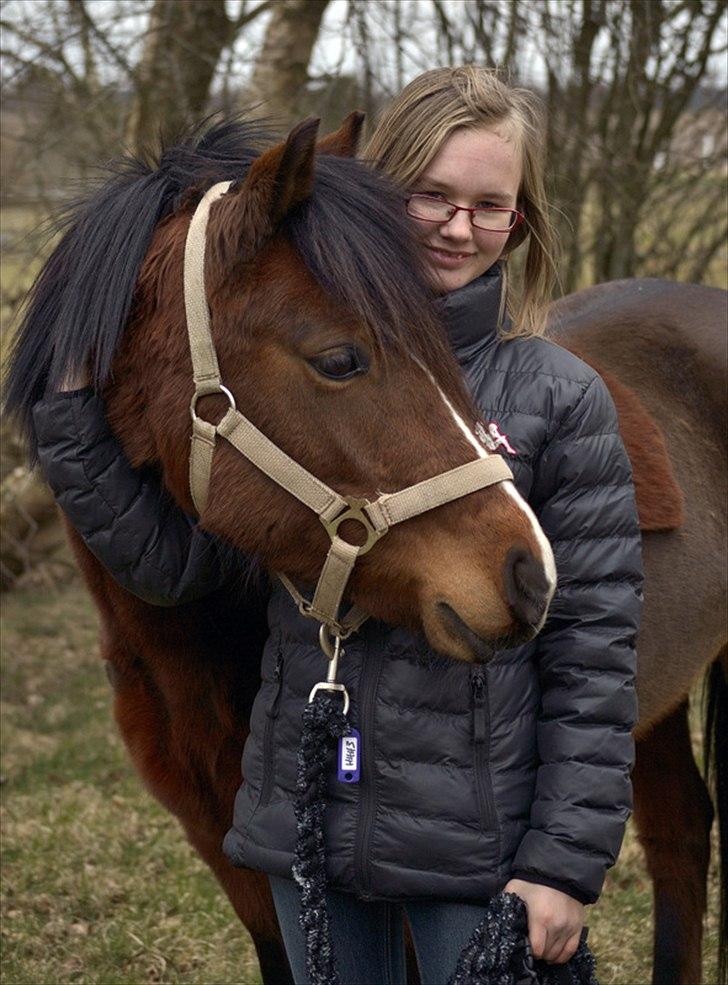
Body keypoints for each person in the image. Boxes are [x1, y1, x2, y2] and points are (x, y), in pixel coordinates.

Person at [32, 67, 642, 985]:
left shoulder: (553, 392)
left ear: (522, 220)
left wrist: (561, 864)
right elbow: (175, 564)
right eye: (432, 195)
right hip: (317, 824)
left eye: (491, 206)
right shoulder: (309, 367)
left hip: (470, 843)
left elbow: (593, 657)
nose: (458, 225)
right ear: (376, 192)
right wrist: (70, 405)